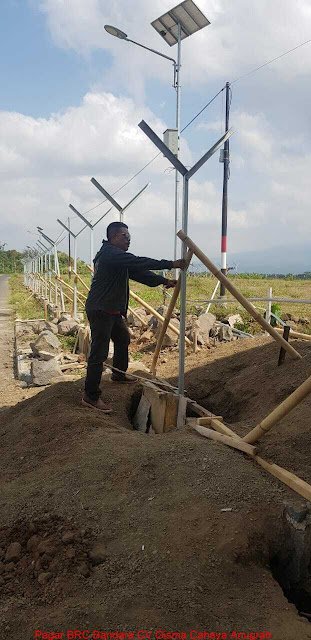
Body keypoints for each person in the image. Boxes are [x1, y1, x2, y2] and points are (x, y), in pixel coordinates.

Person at [82, 221, 186, 412]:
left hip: (110, 309)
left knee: (122, 338)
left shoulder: (116, 258)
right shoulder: (110, 254)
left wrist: (163, 280)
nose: (128, 240)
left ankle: (118, 374)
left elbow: (138, 273)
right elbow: (139, 262)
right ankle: (91, 396)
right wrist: (171, 264)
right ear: (113, 237)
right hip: (101, 310)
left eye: (129, 237)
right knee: (99, 351)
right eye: (125, 236)